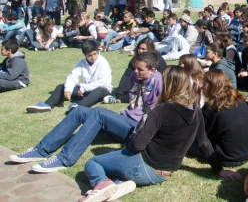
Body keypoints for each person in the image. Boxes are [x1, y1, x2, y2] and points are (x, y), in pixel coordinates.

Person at [78, 66, 241, 202]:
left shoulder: (161, 110)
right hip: (166, 172)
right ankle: (118, 183)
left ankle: (102, 184)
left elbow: (138, 145)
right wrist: (219, 169)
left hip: (146, 166)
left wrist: (132, 138)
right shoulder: (196, 110)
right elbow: (204, 142)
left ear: (169, 84)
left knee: (93, 163)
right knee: (115, 160)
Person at [10, 52, 162, 173]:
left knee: (99, 113)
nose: (135, 72)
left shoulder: (158, 81)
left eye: (140, 69)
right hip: (123, 119)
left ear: (152, 70)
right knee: (79, 110)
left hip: (135, 128)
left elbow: (163, 112)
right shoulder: (135, 77)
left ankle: (64, 159)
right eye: (135, 68)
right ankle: (41, 150)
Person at [26, 40, 112, 113]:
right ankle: (48, 104)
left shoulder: (103, 62)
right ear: (85, 55)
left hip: (103, 89)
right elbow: (72, 76)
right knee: (61, 86)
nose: (93, 57)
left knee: (100, 90)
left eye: (95, 54)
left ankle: (79, 106)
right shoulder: (82, 62)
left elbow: (103, 82)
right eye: (90, 55)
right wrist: (68, 90)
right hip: (85, 89)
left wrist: (84, 88)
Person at [200, 69, 248, 166]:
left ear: (213, 86)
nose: (201, 87)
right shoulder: (240, 101)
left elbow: (201, 134)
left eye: (204, 84)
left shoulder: (211, 107)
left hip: (226, 156)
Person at [106, 38, 166, 104]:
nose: (140, 51)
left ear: (150, 50)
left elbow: (162, 78)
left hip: (151, 86)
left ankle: (121, 99)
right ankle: (120, 97)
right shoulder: (136, 59)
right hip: (139, 82)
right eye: (139, 48)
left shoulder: (157, 60)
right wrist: (119, 93)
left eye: (143, 49)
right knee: (128, 88)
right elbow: (127, 74)